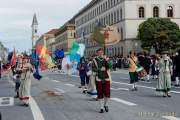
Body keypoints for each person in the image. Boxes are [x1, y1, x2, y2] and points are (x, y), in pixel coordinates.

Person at [92, 48, 112, 113]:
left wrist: (106, 61)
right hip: (99, 78)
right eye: (99, 53)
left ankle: (105, 105)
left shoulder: (105, 59)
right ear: (97, 53)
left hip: (106, 77)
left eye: (102, 53)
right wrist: (100, 69)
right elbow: (93, 69)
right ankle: (101, 108)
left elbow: (109, 67)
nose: (101, 54)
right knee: (100, 93)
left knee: (107, 93)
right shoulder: (94, 60)